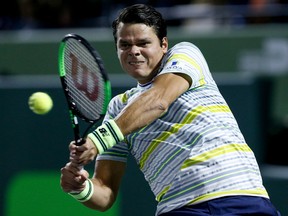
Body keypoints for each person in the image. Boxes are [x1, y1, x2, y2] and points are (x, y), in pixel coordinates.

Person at [60, 4, 281, 216]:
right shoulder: (118, 110)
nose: (134, 51)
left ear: (163, 45)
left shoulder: (185, 55)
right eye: (125, 45)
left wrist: (98, 140)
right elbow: (105, 192)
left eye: (143, 43)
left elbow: (158, 100)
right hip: (181, 210)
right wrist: (81, 188)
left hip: (243, 198)